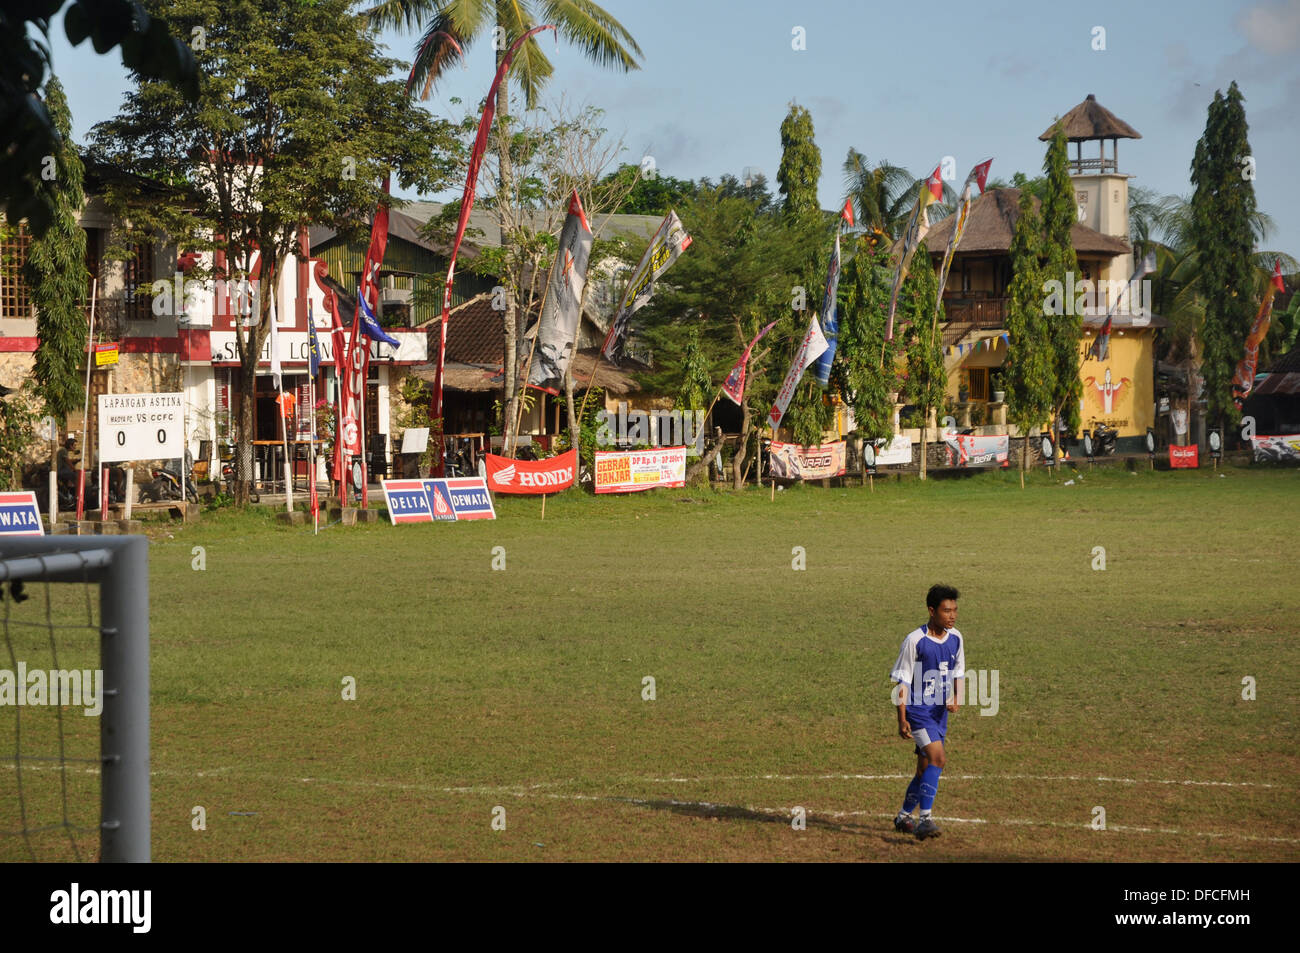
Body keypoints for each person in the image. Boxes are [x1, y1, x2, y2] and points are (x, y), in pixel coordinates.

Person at [890, 584, 965, 840]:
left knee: (923, 770)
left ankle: (902, 817)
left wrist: (957, 696)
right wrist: (902, 719)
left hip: (938, 714)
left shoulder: (956, 637)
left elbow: (958, 672)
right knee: (938, 758)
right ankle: (925, 820)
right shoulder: (915, 640)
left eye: (955, 610)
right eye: (947, 611)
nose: (952, 616)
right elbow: (903, 682)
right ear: (932, 611)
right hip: (918, 711)